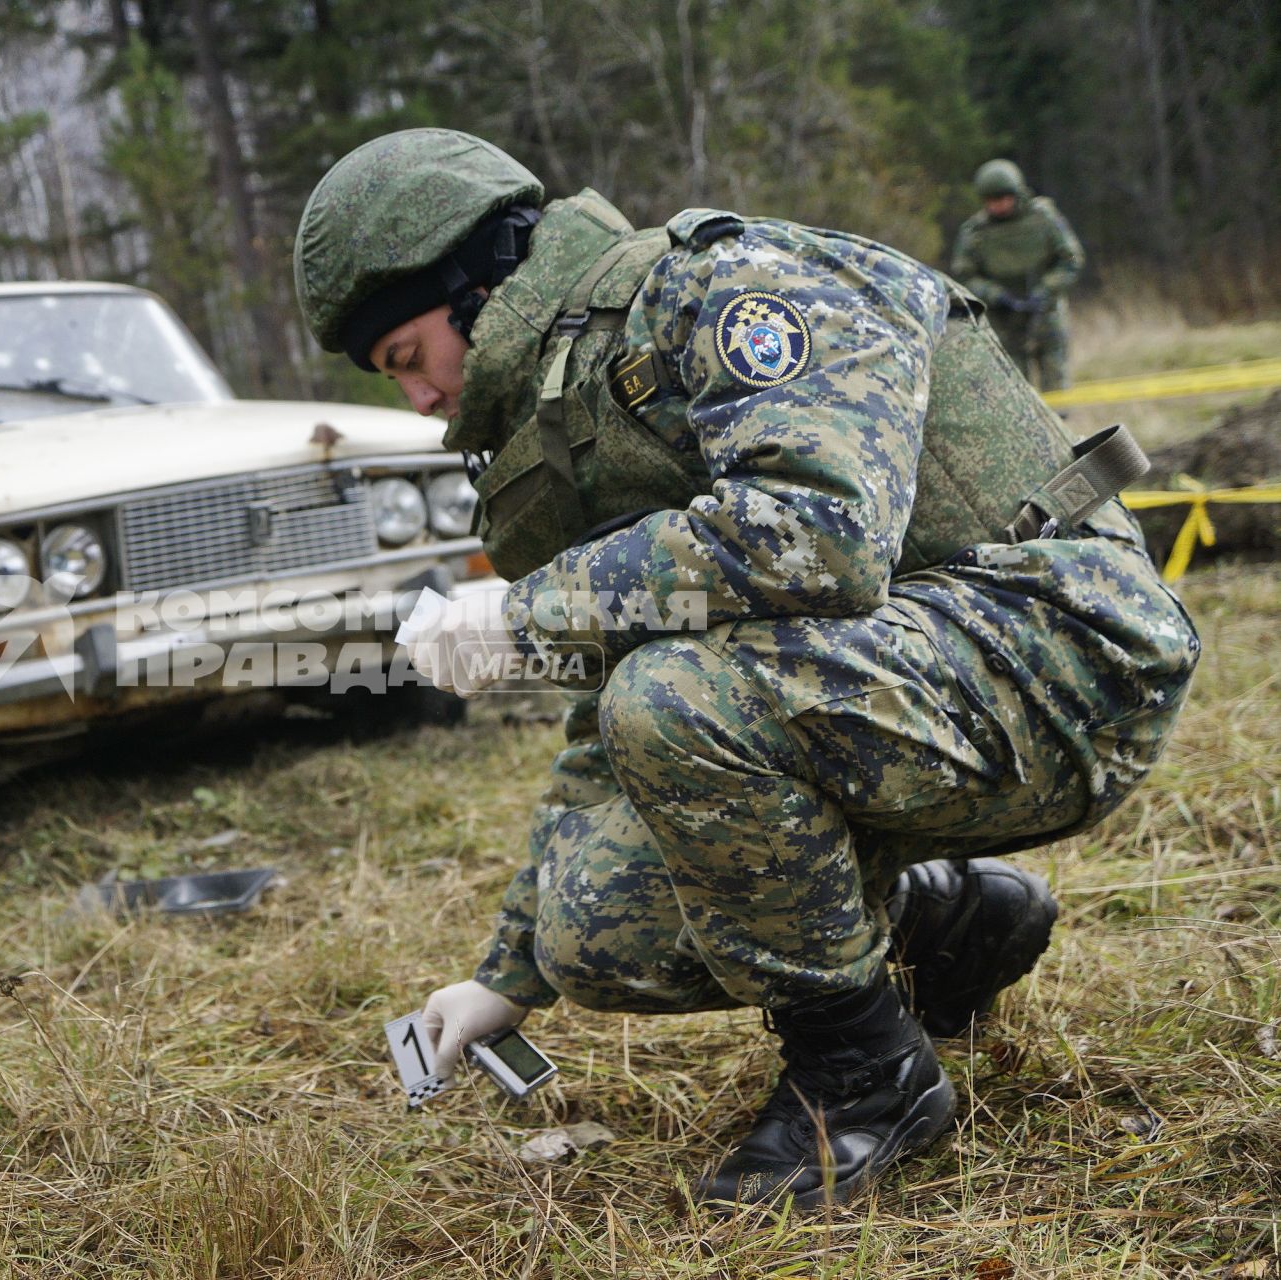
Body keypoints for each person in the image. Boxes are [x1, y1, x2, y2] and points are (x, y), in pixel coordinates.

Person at [294, 130, 1198, 1206]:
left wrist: (524, 611)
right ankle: (940, 919)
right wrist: (507, 972)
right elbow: (616, 718)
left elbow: (818, 533)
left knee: (672, 696)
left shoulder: (725, 290)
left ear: (477, 287)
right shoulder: (571, 396)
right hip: (919, 679)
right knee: (597, 926)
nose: (418, 399)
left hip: (1068, 656)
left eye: (406, 358)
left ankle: (863, 1077)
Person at [951, 159, 1086, 391]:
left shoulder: (1044, 218)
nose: (999, 206)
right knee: (1013, 392)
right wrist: (997, 296)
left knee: (1057, 391)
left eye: (1003, 198)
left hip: (1046, 313)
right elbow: (964, 275)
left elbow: (1071, 259)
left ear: (1016, 193)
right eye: (992, 201)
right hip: (1004, 321)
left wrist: (1046, 289)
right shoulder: (975, 232)